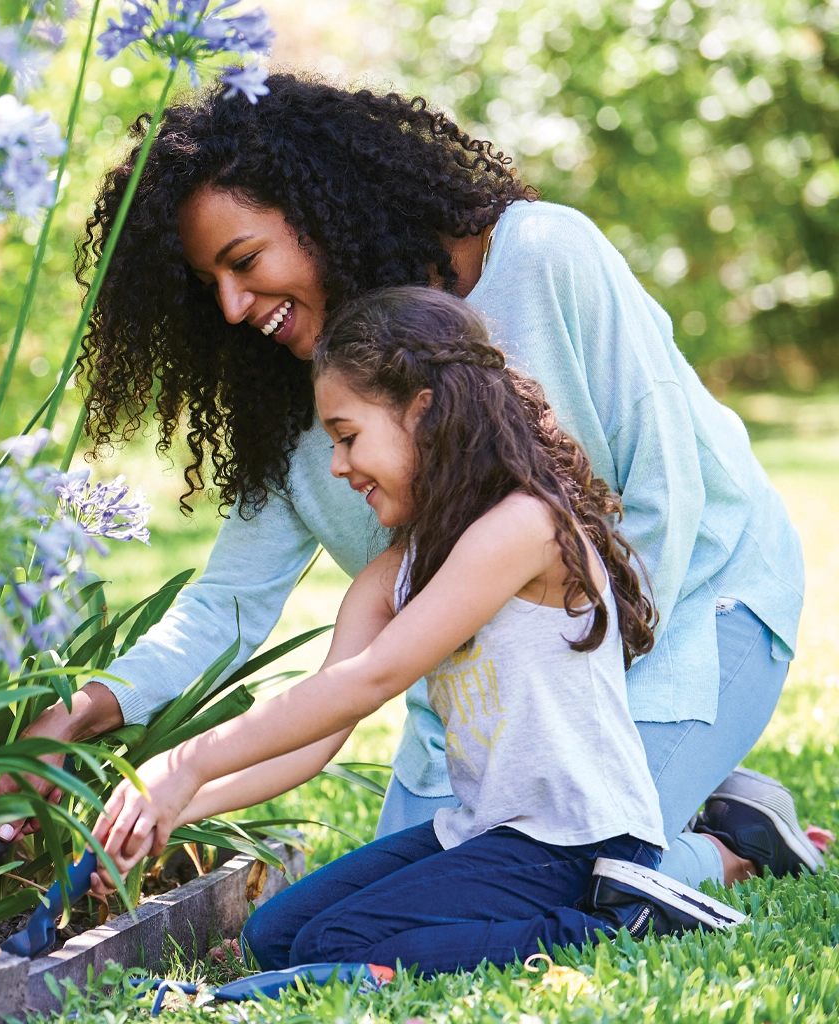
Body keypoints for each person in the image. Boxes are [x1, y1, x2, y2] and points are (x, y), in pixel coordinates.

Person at [0, 74, 817, 892]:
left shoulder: (539, 256)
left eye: (245, 261)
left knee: (574, 877)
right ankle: (702, 804)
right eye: (211, 285)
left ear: (322, 209)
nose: (235, 305)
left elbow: (667, 499)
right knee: (403, 894)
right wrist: (82, 712)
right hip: (490, 696)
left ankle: (729, 850)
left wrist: (585, 725)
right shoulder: (300, 407)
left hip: (694, 613)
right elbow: (226, 607)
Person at [88, 289, 747, 974]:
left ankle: (627, 923)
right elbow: (317, 732)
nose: (338, 465)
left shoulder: (526, 527)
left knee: (331, 947)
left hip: (579, 842)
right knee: (275, 937)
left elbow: (372, 680)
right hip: (486, 833)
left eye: (347, 436)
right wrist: (173, 808)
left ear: (423, 413)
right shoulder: (394, 572)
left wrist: (185, 762)